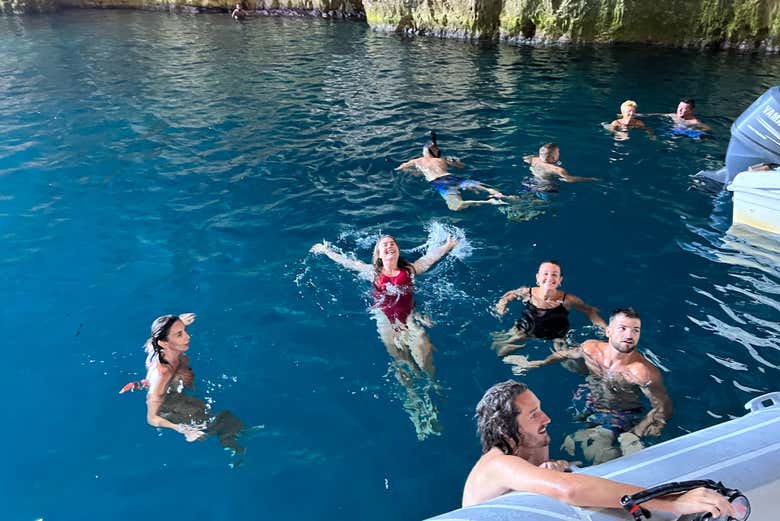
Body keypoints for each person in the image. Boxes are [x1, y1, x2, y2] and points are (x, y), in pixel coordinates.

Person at [462, 379, 737, 519]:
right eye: (534, 414)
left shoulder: (527, 448)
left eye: (541, 409)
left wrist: (556, 470)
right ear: (506, 429)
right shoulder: (497, 465)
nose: (547, 419)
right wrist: (672, 502)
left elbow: (555, 482)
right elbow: (568, 489)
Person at [310, 234, 458, 438]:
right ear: (378, 254)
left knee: (424, 359)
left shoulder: (410, 270)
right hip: (386, 323)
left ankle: (435, 393)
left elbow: (430, 258)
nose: (389, 246)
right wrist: (326, 251)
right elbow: (348, 262)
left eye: (392, 244)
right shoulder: (372, 273)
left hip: (409, 320)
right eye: (384, 245)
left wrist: (448, 245)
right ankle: (415, 405)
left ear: (397, 250)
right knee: (404, 364)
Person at [504, 308, 673, 463]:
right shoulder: (590, 348)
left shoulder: (642, 372)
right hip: (587, 396)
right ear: (608, 331)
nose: (629, 335)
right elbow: (564, 355)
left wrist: (636, 433)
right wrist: (534, 364)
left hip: (618, 413)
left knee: (603, 457)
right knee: (541, 434)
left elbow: (663, 407)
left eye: (635, 330)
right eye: (623, 328)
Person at [142, 313, 245, 453]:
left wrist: (180, 322)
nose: (187, 336)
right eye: (179, 334)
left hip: (174, 388)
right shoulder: (163, 373)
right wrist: (182, 429)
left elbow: (153, 340)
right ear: (164, 343)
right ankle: (235, 451)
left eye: (184, 331)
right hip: (171, 406)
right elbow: (152, 418)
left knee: (210, 411)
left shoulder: (159, 346)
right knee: (224, 421)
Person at [491, 261, 606, 356]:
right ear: (538, 277)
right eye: (545, 274)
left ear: (560, 280)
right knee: (500, 351)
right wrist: (501, 305)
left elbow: (589, 311)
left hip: (557, 335)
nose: (549, 277)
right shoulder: (528, 292)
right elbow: (510, 295)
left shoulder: (568, 299)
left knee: (569, 360)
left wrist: (604, 328)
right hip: (527, 329)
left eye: (554, 274)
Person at [396, 141, 516, 211]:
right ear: (433, 151)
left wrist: (415, 172)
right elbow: (461, 166)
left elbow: (400, 168)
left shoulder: (416, 161)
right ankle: (504, 196)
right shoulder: (442, 159)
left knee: (456, 206)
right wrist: (454, 161)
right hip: (453, 178)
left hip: (439, 183)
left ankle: (489, 202)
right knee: (484, 187)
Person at [523, 143, 601, 184]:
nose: (559, 153)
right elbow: (569, 179)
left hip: (531, 181)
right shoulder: (558, 169)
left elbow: (525, 158)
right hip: (546, 186)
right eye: (558, 152)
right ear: (553, 158)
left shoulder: (533, 159)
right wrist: (590, 179)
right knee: (545, 204)